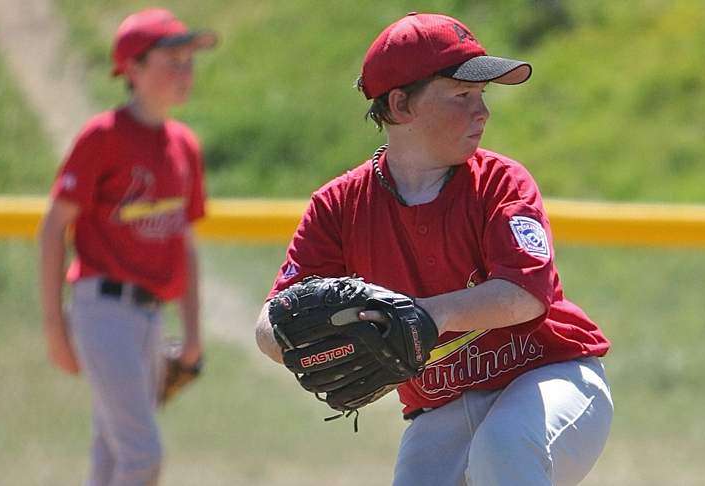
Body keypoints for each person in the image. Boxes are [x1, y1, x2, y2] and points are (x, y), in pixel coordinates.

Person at [255, 12, 613, 486]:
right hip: (443, 403)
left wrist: (422, 314)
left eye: (481, 96)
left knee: (502, 451)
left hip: (551, 375)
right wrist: (303, 333)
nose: (481, 112)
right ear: (401, 105)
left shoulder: (500, 183)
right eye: (462, 96)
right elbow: (269, 328)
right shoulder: (340, 206)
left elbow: (525, 293)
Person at [37, 9, 216, 486]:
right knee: (142, 453)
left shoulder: (184, 146)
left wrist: (194, 331)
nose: (185, 71)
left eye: (189, 61)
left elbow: (185, 242)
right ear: (132, 69)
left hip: (152, 317)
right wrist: (55, 324)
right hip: (102, 310)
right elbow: (54, 228)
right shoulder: (104, 137)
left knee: (112, 454)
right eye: (171, 60)